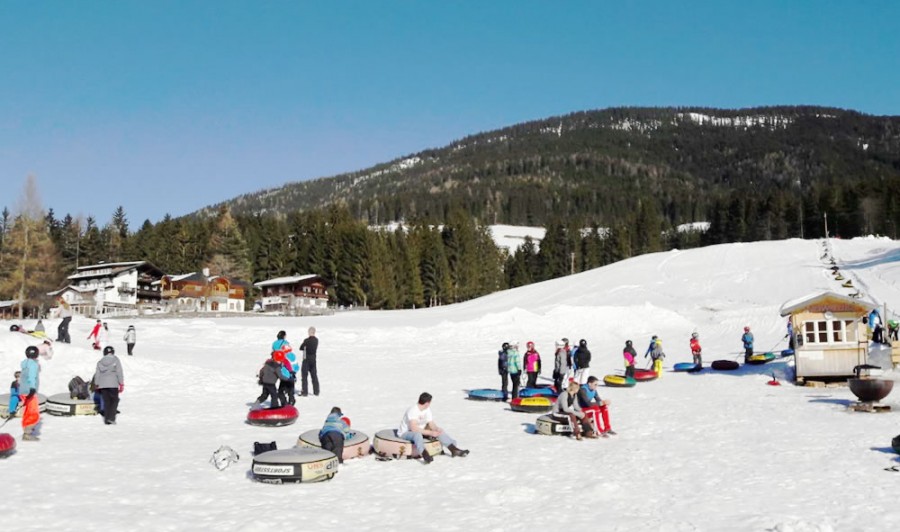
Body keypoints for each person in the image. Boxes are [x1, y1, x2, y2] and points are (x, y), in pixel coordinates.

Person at [397, 392, 469, 464]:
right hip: (406, 432)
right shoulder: (412, 410)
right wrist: (430, 433)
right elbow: (414, 429)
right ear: (427, 403)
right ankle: (424, 454)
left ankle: (453, 449)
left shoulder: (427, 409)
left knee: (438, 432)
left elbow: (430, 423)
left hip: (421, 430)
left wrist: (436, 429)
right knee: (417, 435)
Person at [93, 346, 124, 425]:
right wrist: (121, 383)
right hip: (113, 384)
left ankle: (107, 419)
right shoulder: (116, 360)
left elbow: (97, 374)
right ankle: (111, 418)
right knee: (114, 400)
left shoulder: (100, 362)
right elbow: (119, 372)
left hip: (103, 384)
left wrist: (96, 384)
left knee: (107, 402)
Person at [19, 346, 41, 441]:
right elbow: (31, 377)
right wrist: (32, 389)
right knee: (33, 412)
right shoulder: (33, 364)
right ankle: (27, 433)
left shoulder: (25, 363)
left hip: (23, 390)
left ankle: (26, 428)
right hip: (29, 391)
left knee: (27, 411)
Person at [272, 330, 296, 405]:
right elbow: (291, 360)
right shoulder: (286, 345)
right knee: (290, 386)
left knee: (282, 388)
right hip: (289, 371)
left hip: (281, 369)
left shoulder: (274, 344)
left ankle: (284, 402)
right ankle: (291, 400)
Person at [299, 327, 319, 396]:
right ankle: (316, 391)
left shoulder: (306, 340)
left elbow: (301, 347)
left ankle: (304, 391)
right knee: (314, 376)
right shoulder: (316, 340)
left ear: (309, 332)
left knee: (304, 376)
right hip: (313, 359)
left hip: (306, 359)